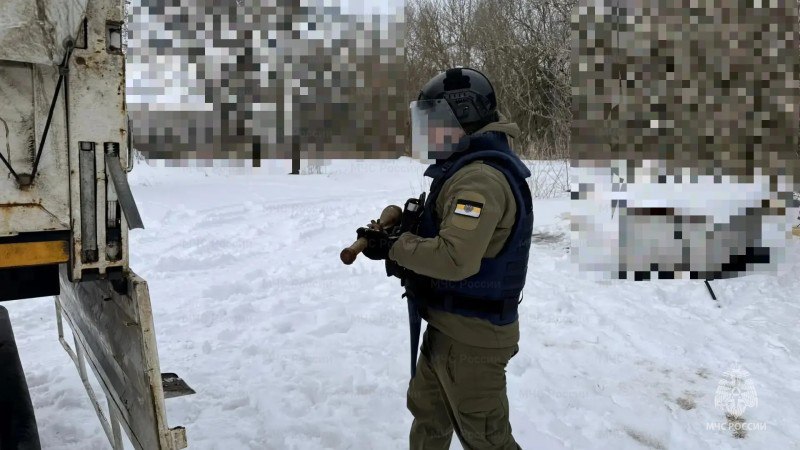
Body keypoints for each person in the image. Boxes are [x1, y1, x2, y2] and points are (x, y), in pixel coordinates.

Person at [357, 67, 532, 450]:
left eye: (435, 123)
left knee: (487, 440)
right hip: (448, 326)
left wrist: (396, 247)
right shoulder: (464, 170)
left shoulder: (479, 180)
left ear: (464, 118)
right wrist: (401, 231)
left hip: (472, 339)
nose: (429, 134)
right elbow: (447, 230)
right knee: (429, 418)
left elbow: (456, 258)